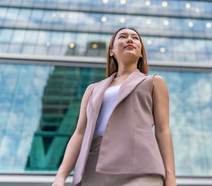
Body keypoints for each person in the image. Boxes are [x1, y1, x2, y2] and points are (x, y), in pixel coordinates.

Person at [52, 27, 176, 186]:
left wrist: (170, 177)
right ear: (111, 51)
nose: (130, 40)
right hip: (94, 169)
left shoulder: (154, 82)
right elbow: (79, 134)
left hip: (141, 166)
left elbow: (162, 130)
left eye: (135, 38)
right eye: (123, 37)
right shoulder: (92, 89)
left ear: (141, 53)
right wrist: (61, 176)